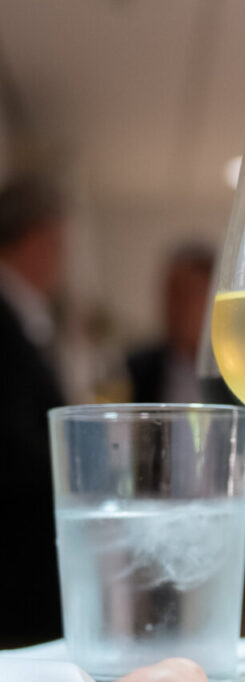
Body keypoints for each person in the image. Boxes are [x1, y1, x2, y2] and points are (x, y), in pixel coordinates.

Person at [0, 176, 67, 647]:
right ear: (36, 239)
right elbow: (15, 437)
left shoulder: (24, 315)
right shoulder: (6, 317)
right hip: (16, 550)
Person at [127, 244, 215, 403]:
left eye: (187, 295)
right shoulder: (135, 369)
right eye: (171, 294)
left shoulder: (237, 372)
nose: (175, 307)